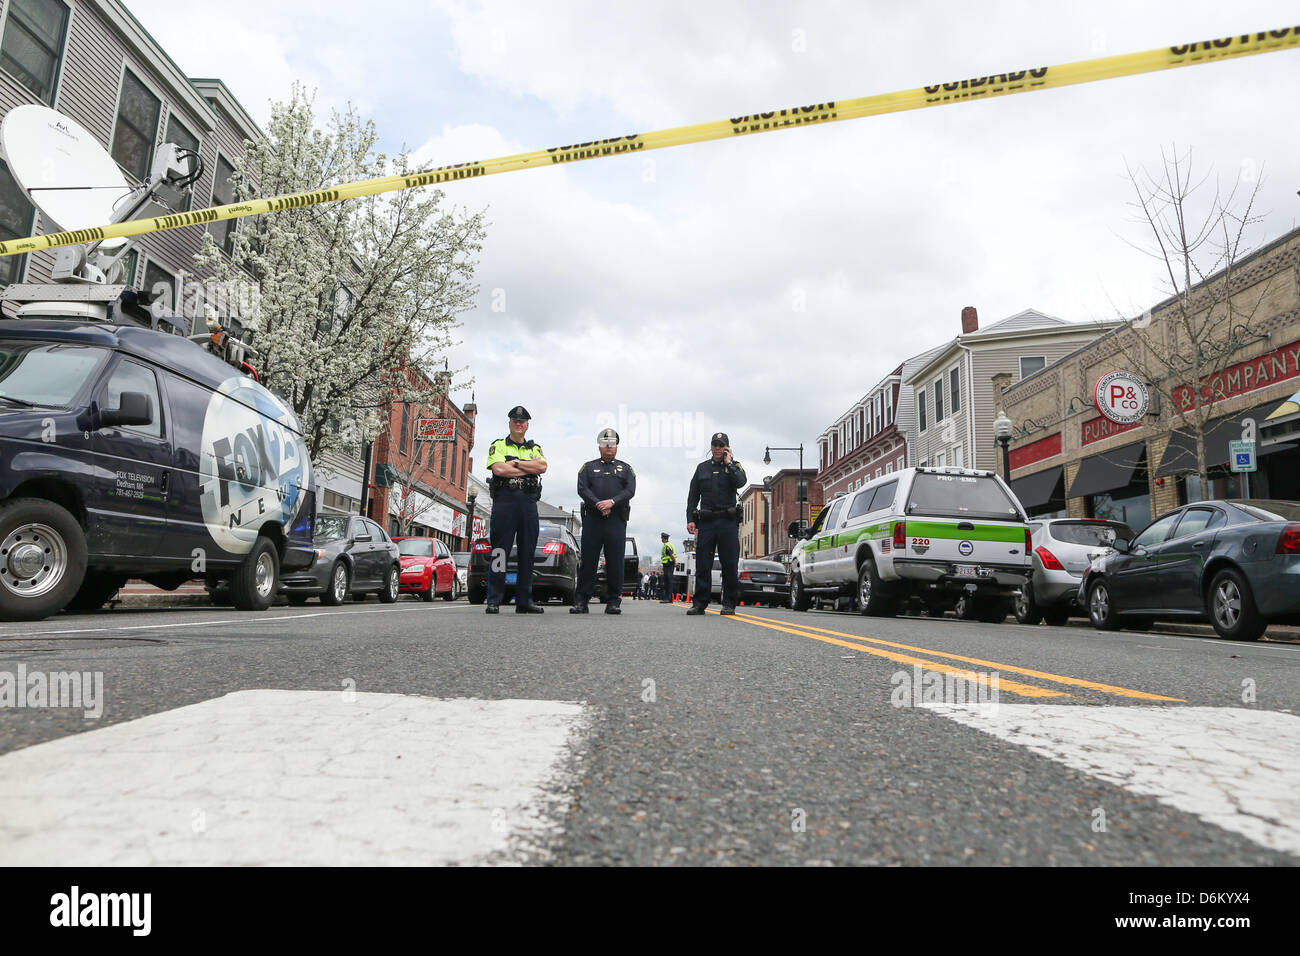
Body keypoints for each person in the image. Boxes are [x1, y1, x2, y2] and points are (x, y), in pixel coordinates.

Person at [485, 406, 548, 614]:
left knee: (527, 552)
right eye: (515, 421)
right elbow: (499, 469)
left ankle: (524, 601)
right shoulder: (499, 445)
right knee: (500, 551)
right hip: (506, 502)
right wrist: (525, 468)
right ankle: (494, 599)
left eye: (522, 422)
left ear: (527, 425)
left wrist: (517, 463)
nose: (518, 424)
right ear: (510, 423)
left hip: (528, 504)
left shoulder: (534, 448)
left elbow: (541, 467)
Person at [572, 428, 636, 615]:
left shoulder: (625, 469)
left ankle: (613, 601)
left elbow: (630, 490)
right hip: (593, 519)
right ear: (600, 446)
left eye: (612, 444)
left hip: (616, 519)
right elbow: (582, 488)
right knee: (589, 562)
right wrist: (597, 503)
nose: (609, 447)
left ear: (616, 447)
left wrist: (612, 502)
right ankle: (581, 601)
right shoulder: (588, 467)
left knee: (615, 561)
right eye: (605, 444)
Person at [685, 432, 746, 615]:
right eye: (715, 445)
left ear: (727, 448)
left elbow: (741, 482)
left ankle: (728, 604)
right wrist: (690, 519)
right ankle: (699, 603)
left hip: (728, 521)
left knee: (729, 564)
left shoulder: (735, 466)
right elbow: (693, 496)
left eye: (721, 445)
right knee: (703, 564)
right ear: (711, 447)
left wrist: (729, 463)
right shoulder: (702, 468)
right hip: (707, 522)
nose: (718, 448)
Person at [658, 532, 677, 604]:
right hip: (669, 564)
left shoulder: (666, 546)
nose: (661, 539)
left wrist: (675, 562)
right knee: (669, 581)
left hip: (668, 565)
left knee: (667, 582)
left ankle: (667, 598)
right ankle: (670, 599)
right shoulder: (670, 544)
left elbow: (671, 554)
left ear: (664, 538)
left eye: (661, 538)